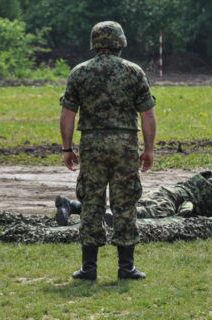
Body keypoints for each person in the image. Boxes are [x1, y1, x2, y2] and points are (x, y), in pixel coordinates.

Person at [59, 21, 156, 281]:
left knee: (91, 203)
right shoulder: (134, 72)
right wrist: (148, 150)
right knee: (125, 203)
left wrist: (67, 148)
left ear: (94, 43)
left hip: (92, 145)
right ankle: (126, 268)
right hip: (125, 144)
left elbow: (68, 113)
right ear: (120, 42)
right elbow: (147, 114)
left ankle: (89, 268)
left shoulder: (79, 73)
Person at [55, 166, 212, 223]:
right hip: (172, 199)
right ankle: (113, 217)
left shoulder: (208, 176)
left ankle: (73, 206)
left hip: (166, 191)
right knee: (144, 213)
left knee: (126, 207)